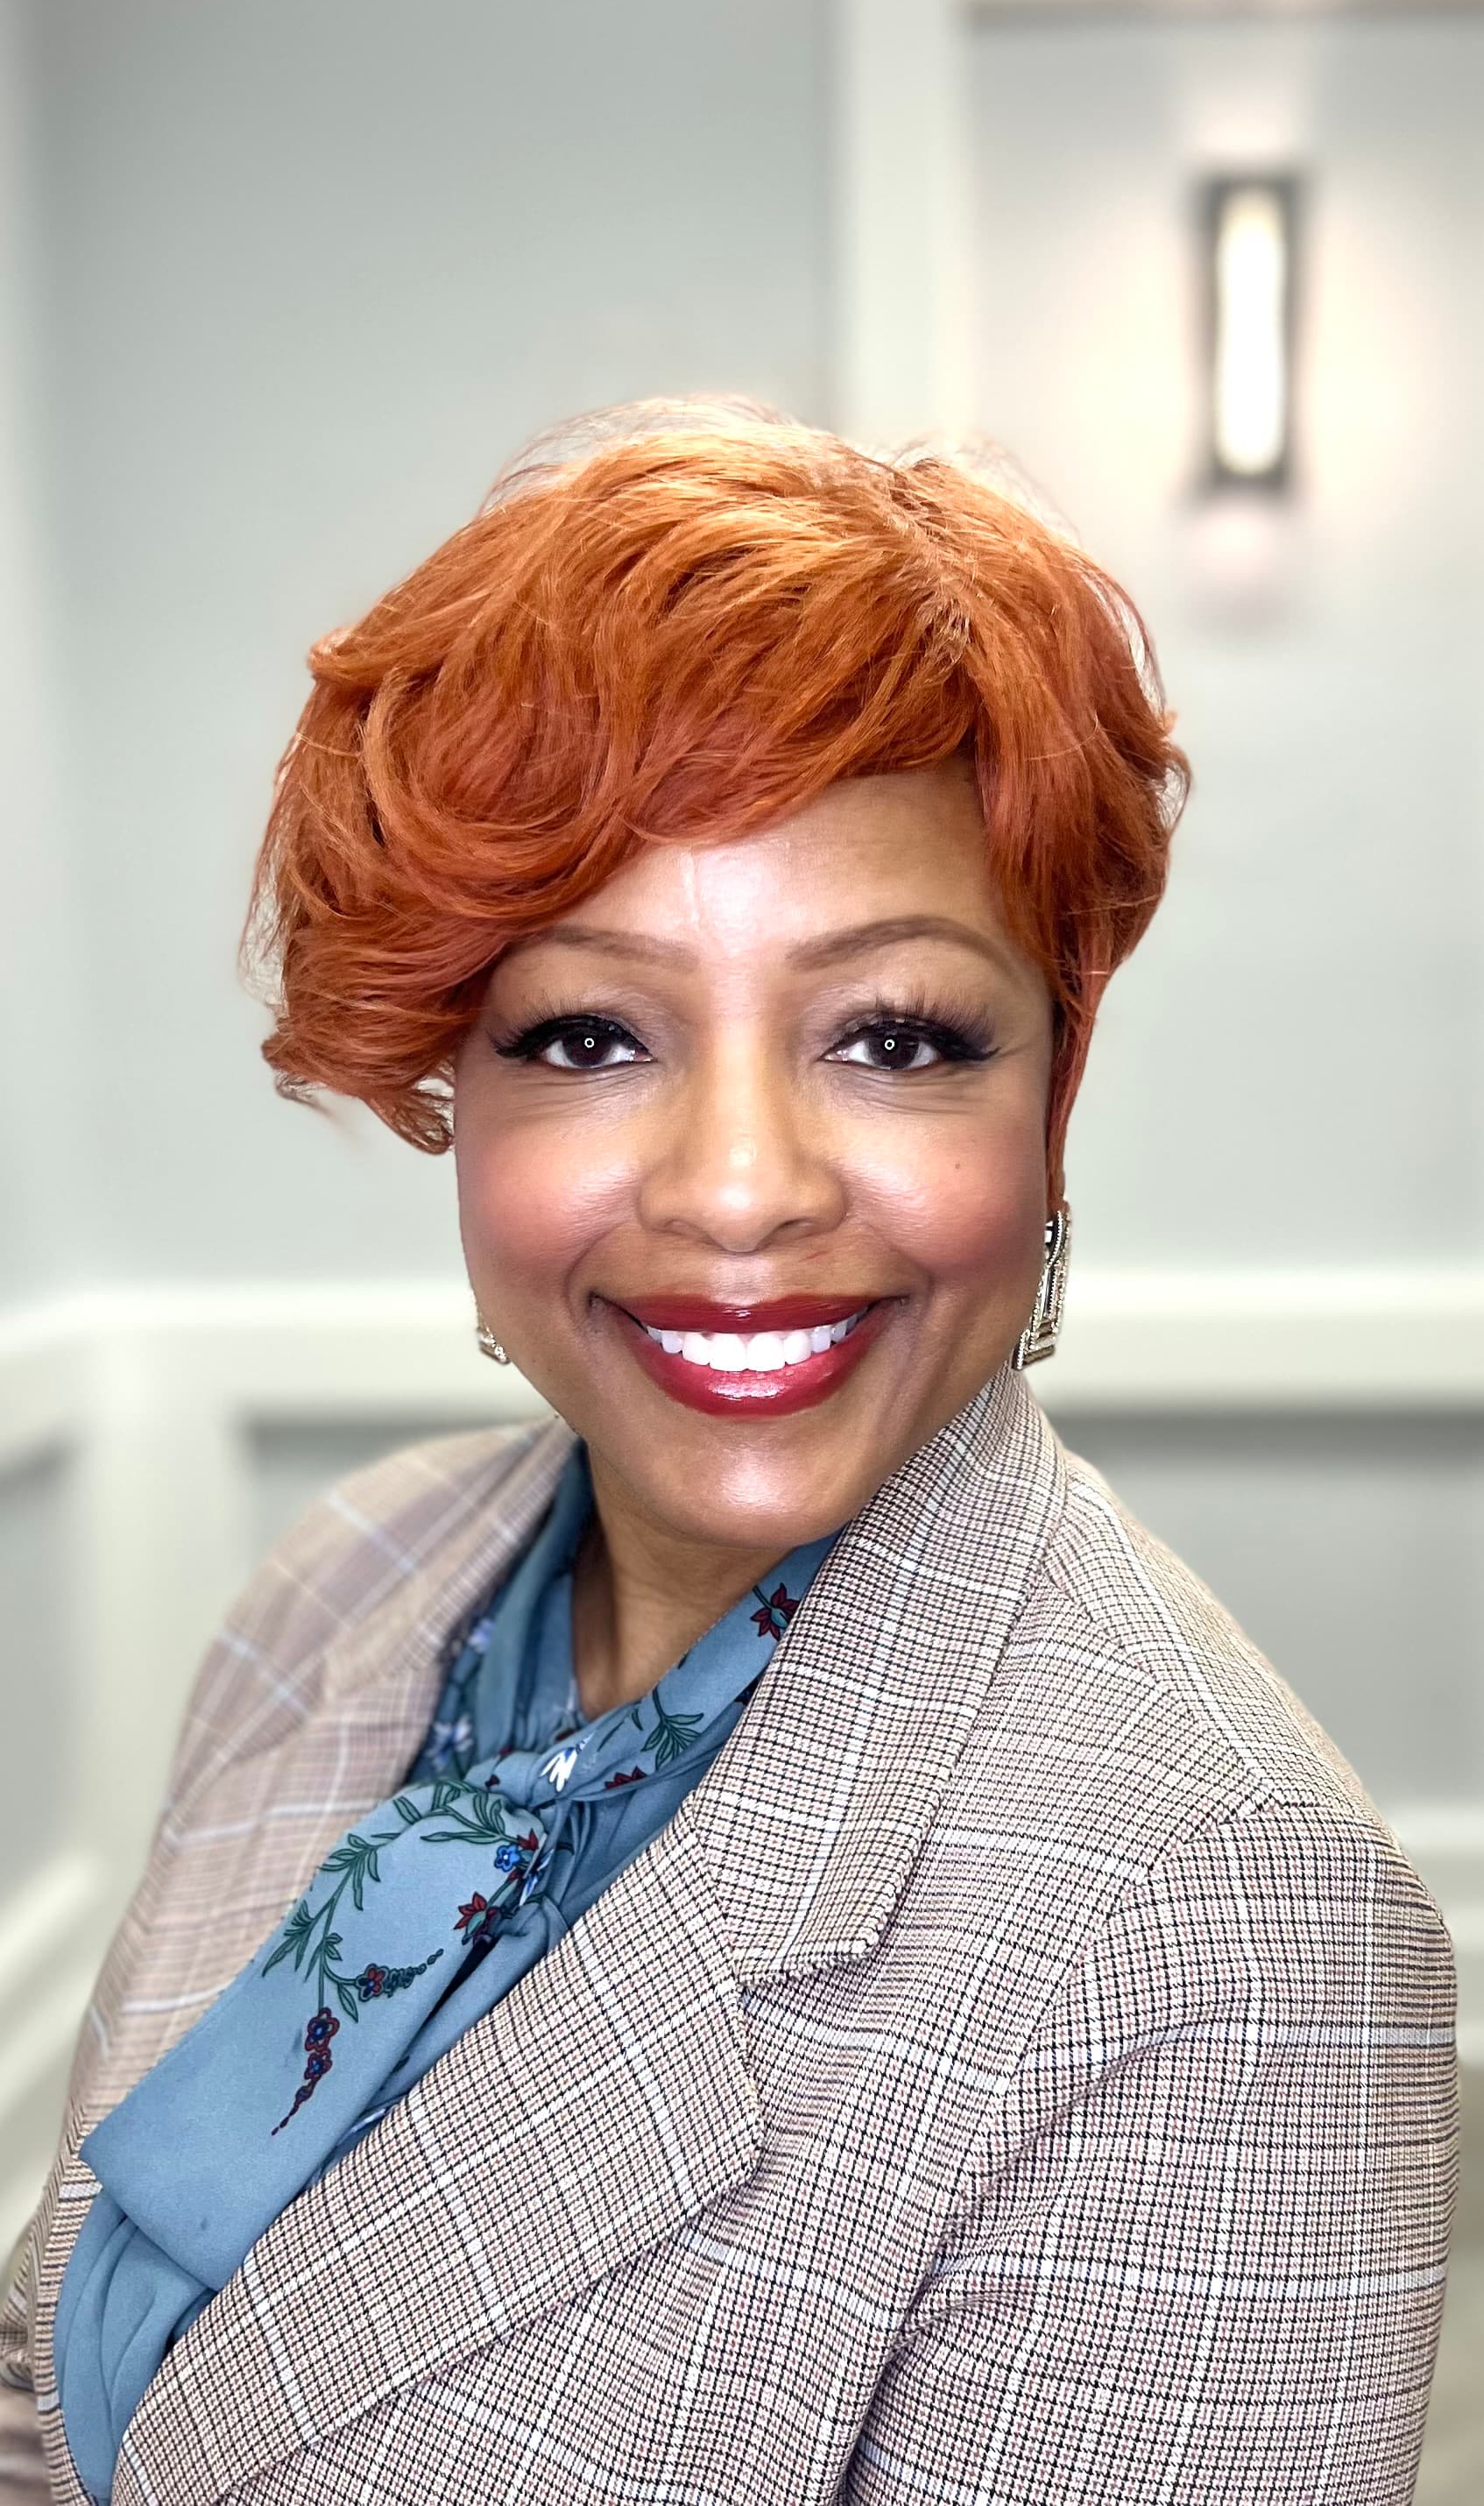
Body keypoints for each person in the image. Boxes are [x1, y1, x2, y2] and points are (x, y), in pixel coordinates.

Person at [0, 404, 1457, 2504]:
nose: (742, 1185)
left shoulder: (1224, 1933)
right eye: (588, 1034)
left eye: (893, 1035)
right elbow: (68, 2360)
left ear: (1048, 1103)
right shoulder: (344, 1579)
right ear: (457, 1096)